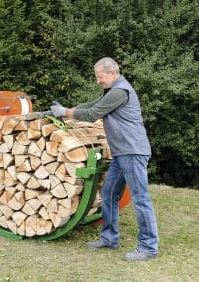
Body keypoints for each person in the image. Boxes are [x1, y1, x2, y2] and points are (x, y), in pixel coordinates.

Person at [50, 57, 159, 262]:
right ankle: (109, 238)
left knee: (141, 199)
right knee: (108, 193)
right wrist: (67, 110)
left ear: (112, 73)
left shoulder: (120, 92)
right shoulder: (112, 91)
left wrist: (65, 112)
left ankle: (149, 246)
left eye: (100, 77)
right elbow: (91, 104)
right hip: (121, 152)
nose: (98, 81)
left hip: (132, 152)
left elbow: (92, 113)